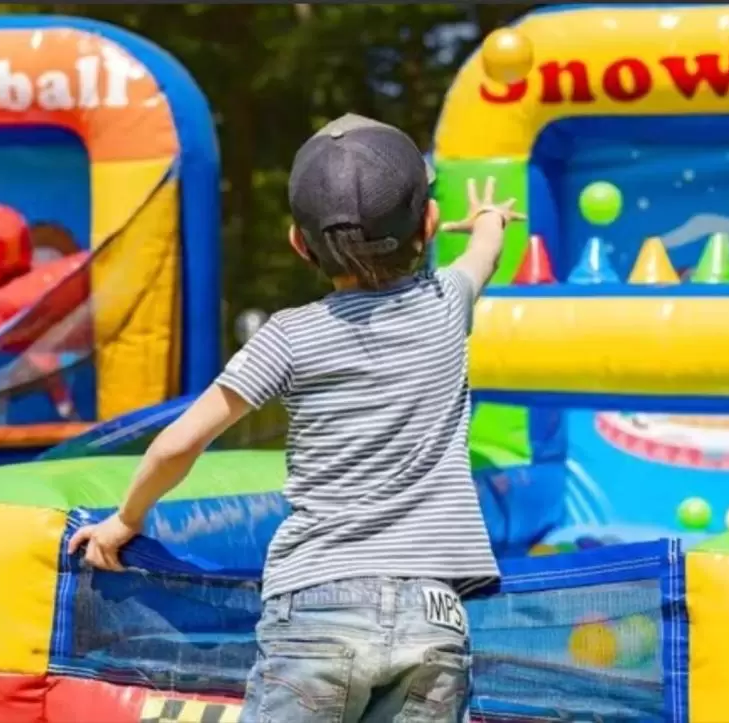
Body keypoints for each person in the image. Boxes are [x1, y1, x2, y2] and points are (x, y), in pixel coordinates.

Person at [68, 113, 525, 722]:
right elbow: (485, 253)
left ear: (298, 243)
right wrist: (489, 217)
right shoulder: (446, 306)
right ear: (429, 224)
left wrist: (125, 520)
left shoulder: (289, 336)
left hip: (318, 609)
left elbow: (179, 442)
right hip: (434, 618)